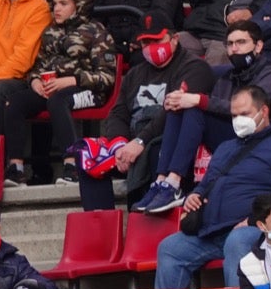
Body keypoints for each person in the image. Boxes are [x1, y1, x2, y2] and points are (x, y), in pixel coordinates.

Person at [153, 86, 271, 289]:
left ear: (264, 112)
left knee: (237, 240)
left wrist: (258, 220)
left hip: (259, 231)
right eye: (234, 115)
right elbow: (206, 184)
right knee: (170, 248)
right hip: (214, 231)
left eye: (244, 114)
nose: (238, 120)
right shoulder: (226, 148)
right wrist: (195, 196)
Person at [134, 19, 271, 214]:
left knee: (194, 107)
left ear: (258, 45)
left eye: (241, 42)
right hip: (236, 138)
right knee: (181, 107)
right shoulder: (228, 76)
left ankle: (175, 181)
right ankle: (162, 181)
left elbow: (248, 108)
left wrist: (198, 100)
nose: (235, 49)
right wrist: (180, 100)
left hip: (267, 141)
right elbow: (217, 109)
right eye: (230, 44)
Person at [77, 14, 217, 212]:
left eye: (157, 40)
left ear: (174, 39)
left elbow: (172, 111)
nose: (151, 47)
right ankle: (102, 221)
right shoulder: (135, 73)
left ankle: (142, 218)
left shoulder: (195, 68)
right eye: (145, 43)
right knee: (86, 154)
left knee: (153, 153)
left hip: (164, 138)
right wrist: (119, 144)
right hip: (131, 140)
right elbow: (118, 113)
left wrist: (140, 142)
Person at [0, 0, 114, 185]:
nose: (56, 9)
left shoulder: (97, 32)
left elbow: (106, 77)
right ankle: (15, 168)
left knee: (57, 101)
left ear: (80, 4)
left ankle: (72, 165)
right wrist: (35, 81)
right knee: (15, 102)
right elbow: (37, 66)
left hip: (88, 91)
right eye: (54, 4)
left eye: (64, 3)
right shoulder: (51, 32)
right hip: (52, 89)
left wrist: (71, 80)